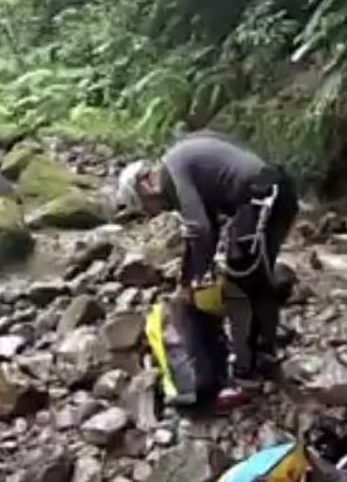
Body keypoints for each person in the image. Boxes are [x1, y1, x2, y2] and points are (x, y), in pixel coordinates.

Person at [115, 129, 298, 381]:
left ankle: (250, 366)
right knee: (254, 273)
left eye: (147, 207)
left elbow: (200, 229)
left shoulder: (171, 173)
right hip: (275, 192)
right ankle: (263, 352)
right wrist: (189, 279)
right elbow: (209, 227)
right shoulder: (180, 164)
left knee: (242, 280)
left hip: (261, 198)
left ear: (146, 185)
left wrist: (195, 280)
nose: (153, 213)